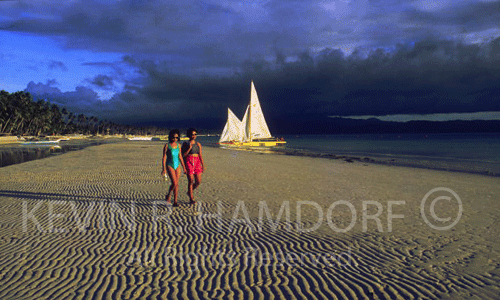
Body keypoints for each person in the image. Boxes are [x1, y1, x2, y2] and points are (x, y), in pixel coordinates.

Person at [161, 129, 186, 207]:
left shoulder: (179, 145)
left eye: (176, 137)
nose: (175, 139)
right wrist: (163, 168)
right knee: (174, 183)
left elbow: (180, 157)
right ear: (170, 137)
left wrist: (184, 167)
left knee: (176, 184)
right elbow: (164, 157)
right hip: (170, 165)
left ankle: (175, 201)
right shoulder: (167, 145)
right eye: (173, 137)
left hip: (177, 165)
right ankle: (169, 196)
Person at [182, 128, 204, 204]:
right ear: (189, 135)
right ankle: (191, 198)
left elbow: (200, 155)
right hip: (189, 161)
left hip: (197, 161)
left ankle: (189, 191)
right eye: (192, 134)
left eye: (195, 134)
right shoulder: (185, 144)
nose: (194, 136)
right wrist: (189, 149)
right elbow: (182, 155)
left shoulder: (198, 144)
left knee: (198, 181)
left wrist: (203, 165)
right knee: (191, 180)